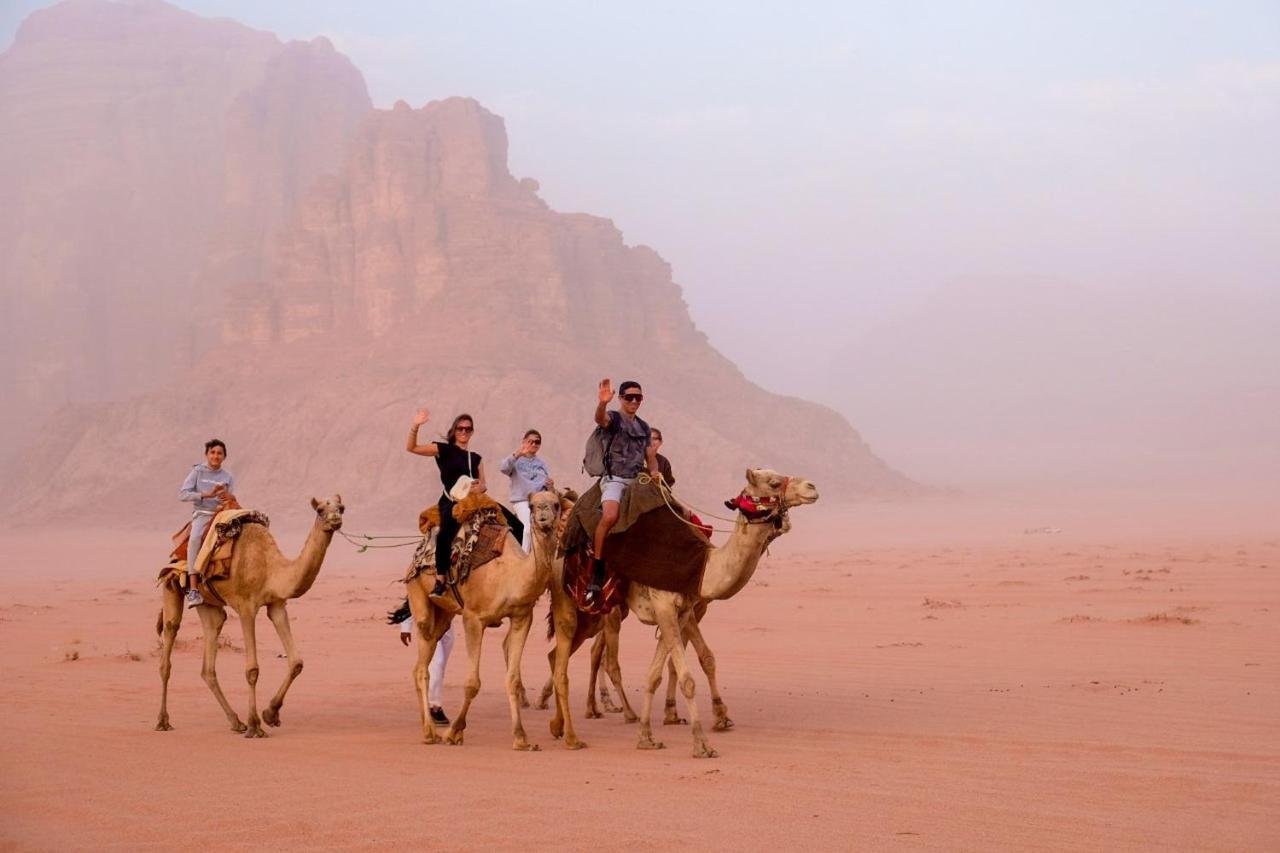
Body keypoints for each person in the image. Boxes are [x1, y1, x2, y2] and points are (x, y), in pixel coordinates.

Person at [587, 379, 658, 606]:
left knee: (662, 514)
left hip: (637, 480)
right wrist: (602, 403)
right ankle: (597, 572)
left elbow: (651, 458)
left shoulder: (644, 427)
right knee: (609, 516)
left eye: (638, 397)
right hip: (614, 478)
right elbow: (600, 418)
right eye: (630, 397)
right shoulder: (614, 419)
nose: (634, 401)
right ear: (621, 399)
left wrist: (655, 473)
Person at [405, 408, 486, 596]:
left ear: (472, 432)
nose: (464, 432)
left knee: (513, 525)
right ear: (454, 430)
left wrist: (478, 488)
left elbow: (484, 484)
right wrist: (415, 426)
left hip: (473, 502)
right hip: (451, 502)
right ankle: (440, 579)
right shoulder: (444, 450)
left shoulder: (476, 458)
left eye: (468, 429)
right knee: (444, 535)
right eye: (460, 428)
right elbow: (412, 448)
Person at [177, 439, 236, 608]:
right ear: (207, 454)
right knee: (195, 539)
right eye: (213, 452)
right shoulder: (197, 472)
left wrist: (229, 497)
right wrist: (206, 495)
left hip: (222, 514)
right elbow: (182, 495)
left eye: (219, 453)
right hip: (203, 514)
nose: (216, 456)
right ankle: (194, 589)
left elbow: (230, 497)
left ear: (224, 457)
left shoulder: (228, 476)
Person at [499, 429, 554, 552]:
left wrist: (551, 487)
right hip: (522, 501)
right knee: (529, 527)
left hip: (539, 501)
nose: (534, 444)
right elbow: (503, 468)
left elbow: (547, 487)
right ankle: (524, 557)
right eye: (530, 441)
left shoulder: (542, 464)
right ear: (524, 442)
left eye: (537, 442)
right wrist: (517, 454)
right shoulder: (516, 460)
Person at [396, 615, 454, 726]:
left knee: (440, 668)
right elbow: (412, 599)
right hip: (429, 626)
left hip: (447, 629)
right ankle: (434, 707)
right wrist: (405, 627)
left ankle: (433, 700)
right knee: (437, 663)